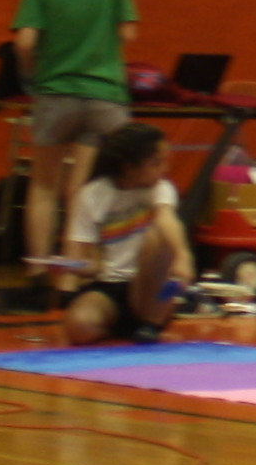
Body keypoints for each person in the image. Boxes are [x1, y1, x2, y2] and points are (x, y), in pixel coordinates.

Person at [15, 0, 135, 267]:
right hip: (104, 97)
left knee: (43, 186)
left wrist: (31, 76)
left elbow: (24, 43)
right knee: (84, 189)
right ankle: (76, 269)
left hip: (56, 95)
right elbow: (129, 33)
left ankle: (38, 271)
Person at [57, 121, 193, 343]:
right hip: (110, 286)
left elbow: (166, 219)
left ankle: (152, 323)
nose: (164, 169)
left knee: (157, 238)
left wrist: (182, 255)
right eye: (156, 163)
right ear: (129, 167)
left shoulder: (160, 188)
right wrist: (71, 266)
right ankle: (119, 329)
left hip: (152, 290)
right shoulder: (92, 195)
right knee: (79, 325)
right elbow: (85, 261)